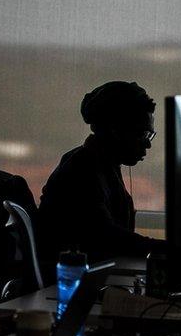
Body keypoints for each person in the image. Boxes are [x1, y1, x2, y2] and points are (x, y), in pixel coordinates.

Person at [38, 81, 164, 264]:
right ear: (117, 130)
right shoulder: (81, 171)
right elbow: (106, 237)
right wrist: (169, 249)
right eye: (143, 134)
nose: (148, 143)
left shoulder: (100, 164)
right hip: (75, 284)